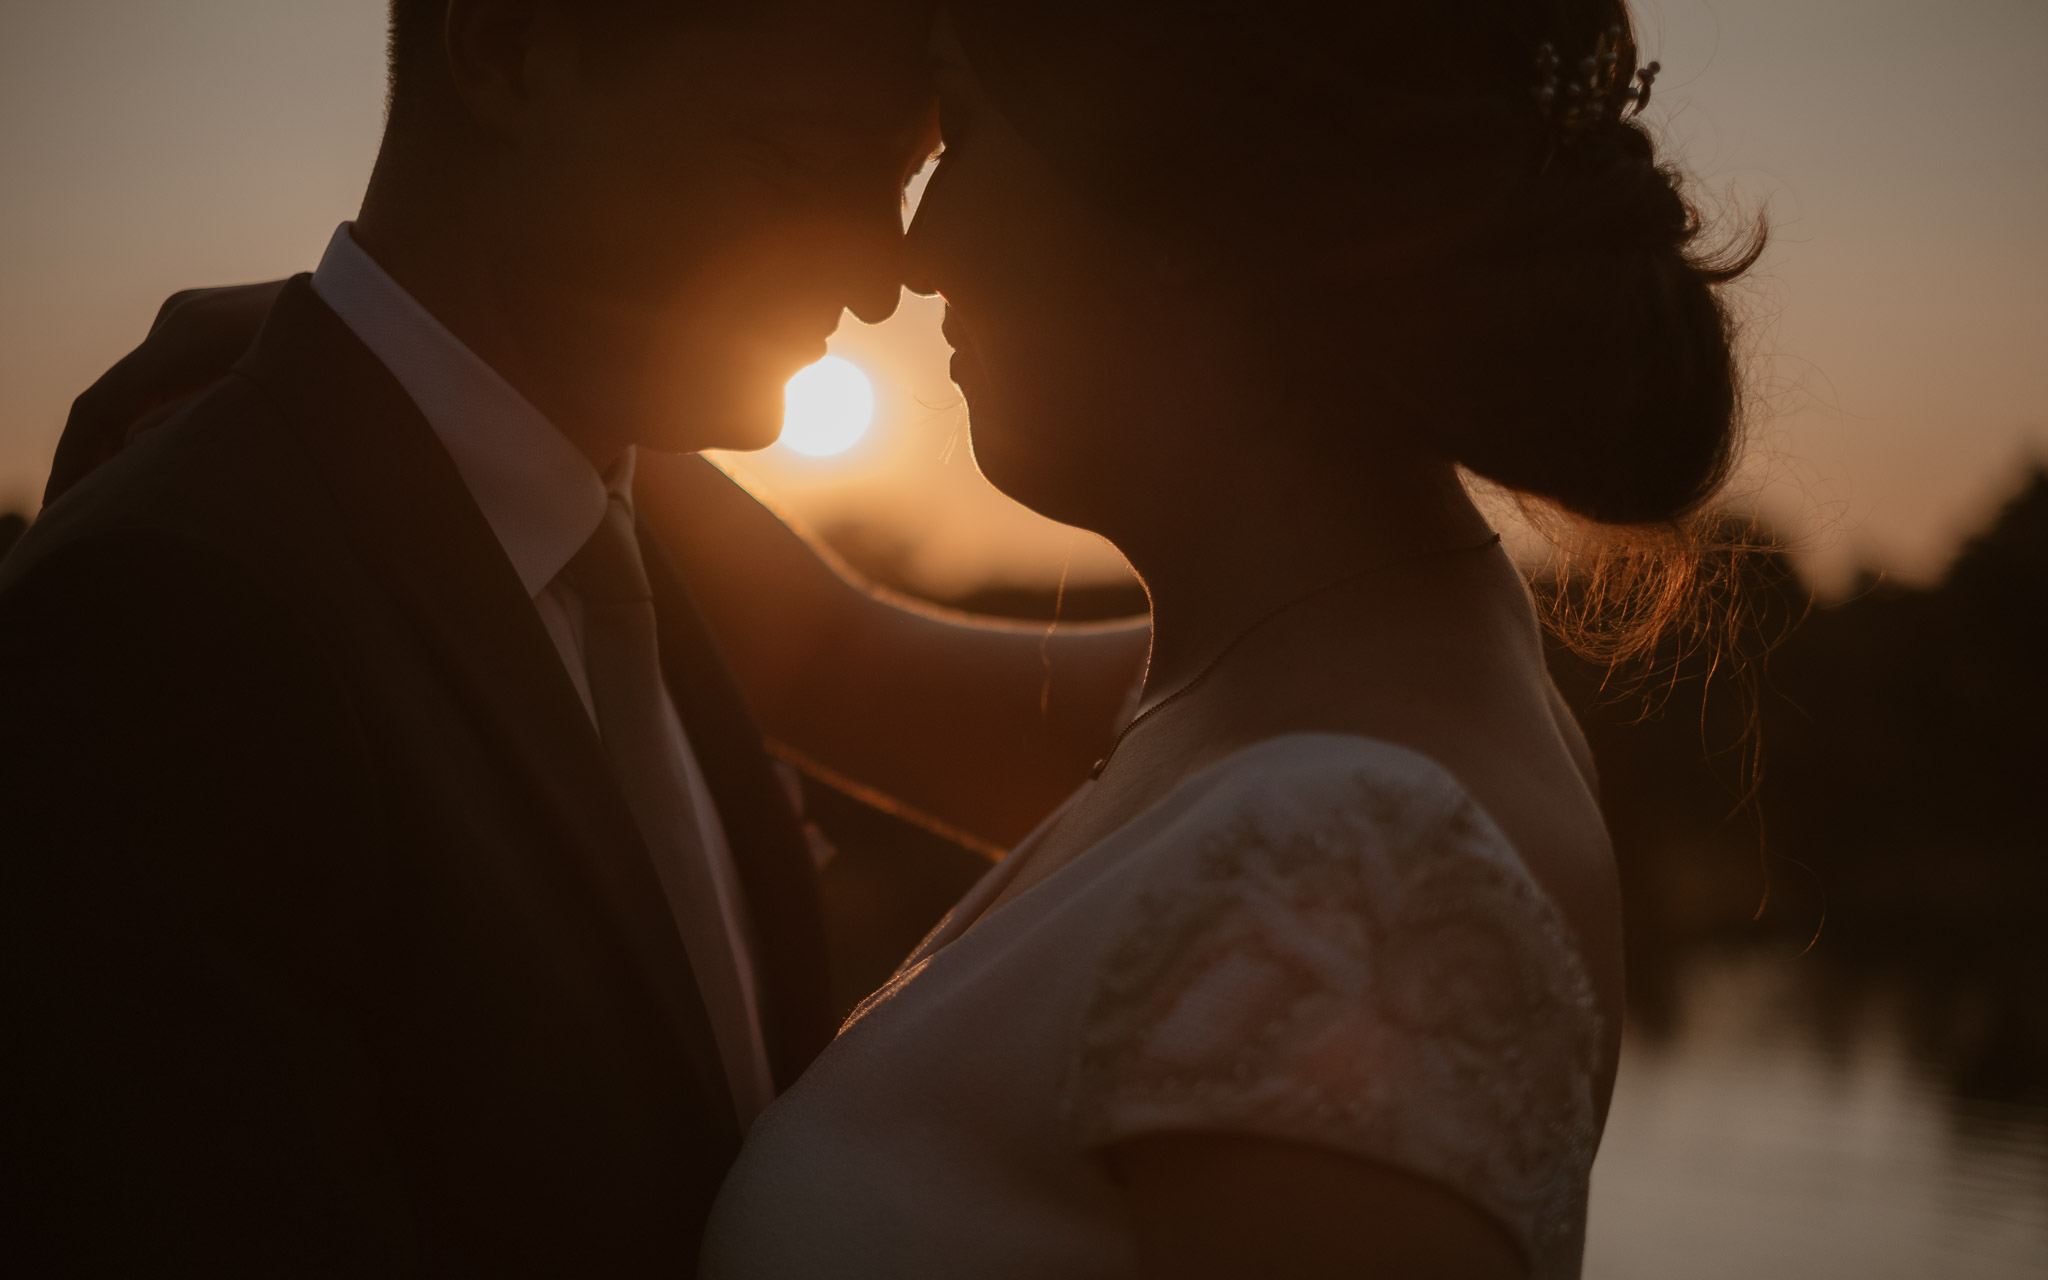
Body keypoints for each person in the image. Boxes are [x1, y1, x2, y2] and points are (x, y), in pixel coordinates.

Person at [2, 1, 1146, 1273]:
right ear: (502, 47)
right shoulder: (165, 622)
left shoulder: (639, 542)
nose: (880, 277)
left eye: (904, 175)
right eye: (802, 153)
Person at [696, 1, 1760, 1276]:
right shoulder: (1287, 689)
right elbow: (823, 656)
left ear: (1184, 207)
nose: (914, 250)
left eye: (965, 134)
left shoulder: (1351, 862)